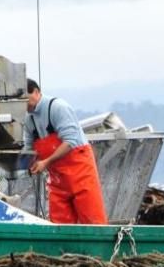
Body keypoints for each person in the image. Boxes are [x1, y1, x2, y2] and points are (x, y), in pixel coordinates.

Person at [23, 78, 108, 224]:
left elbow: (70, 141)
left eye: (24, 99)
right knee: (60, 225)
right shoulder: (28, 119)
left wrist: (46, 162)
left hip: (80, 173)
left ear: (36, 92)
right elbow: (29, 147)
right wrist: (27, 162)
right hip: (57, 180)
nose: (23, 104)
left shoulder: (58, 107)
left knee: (93, 221)